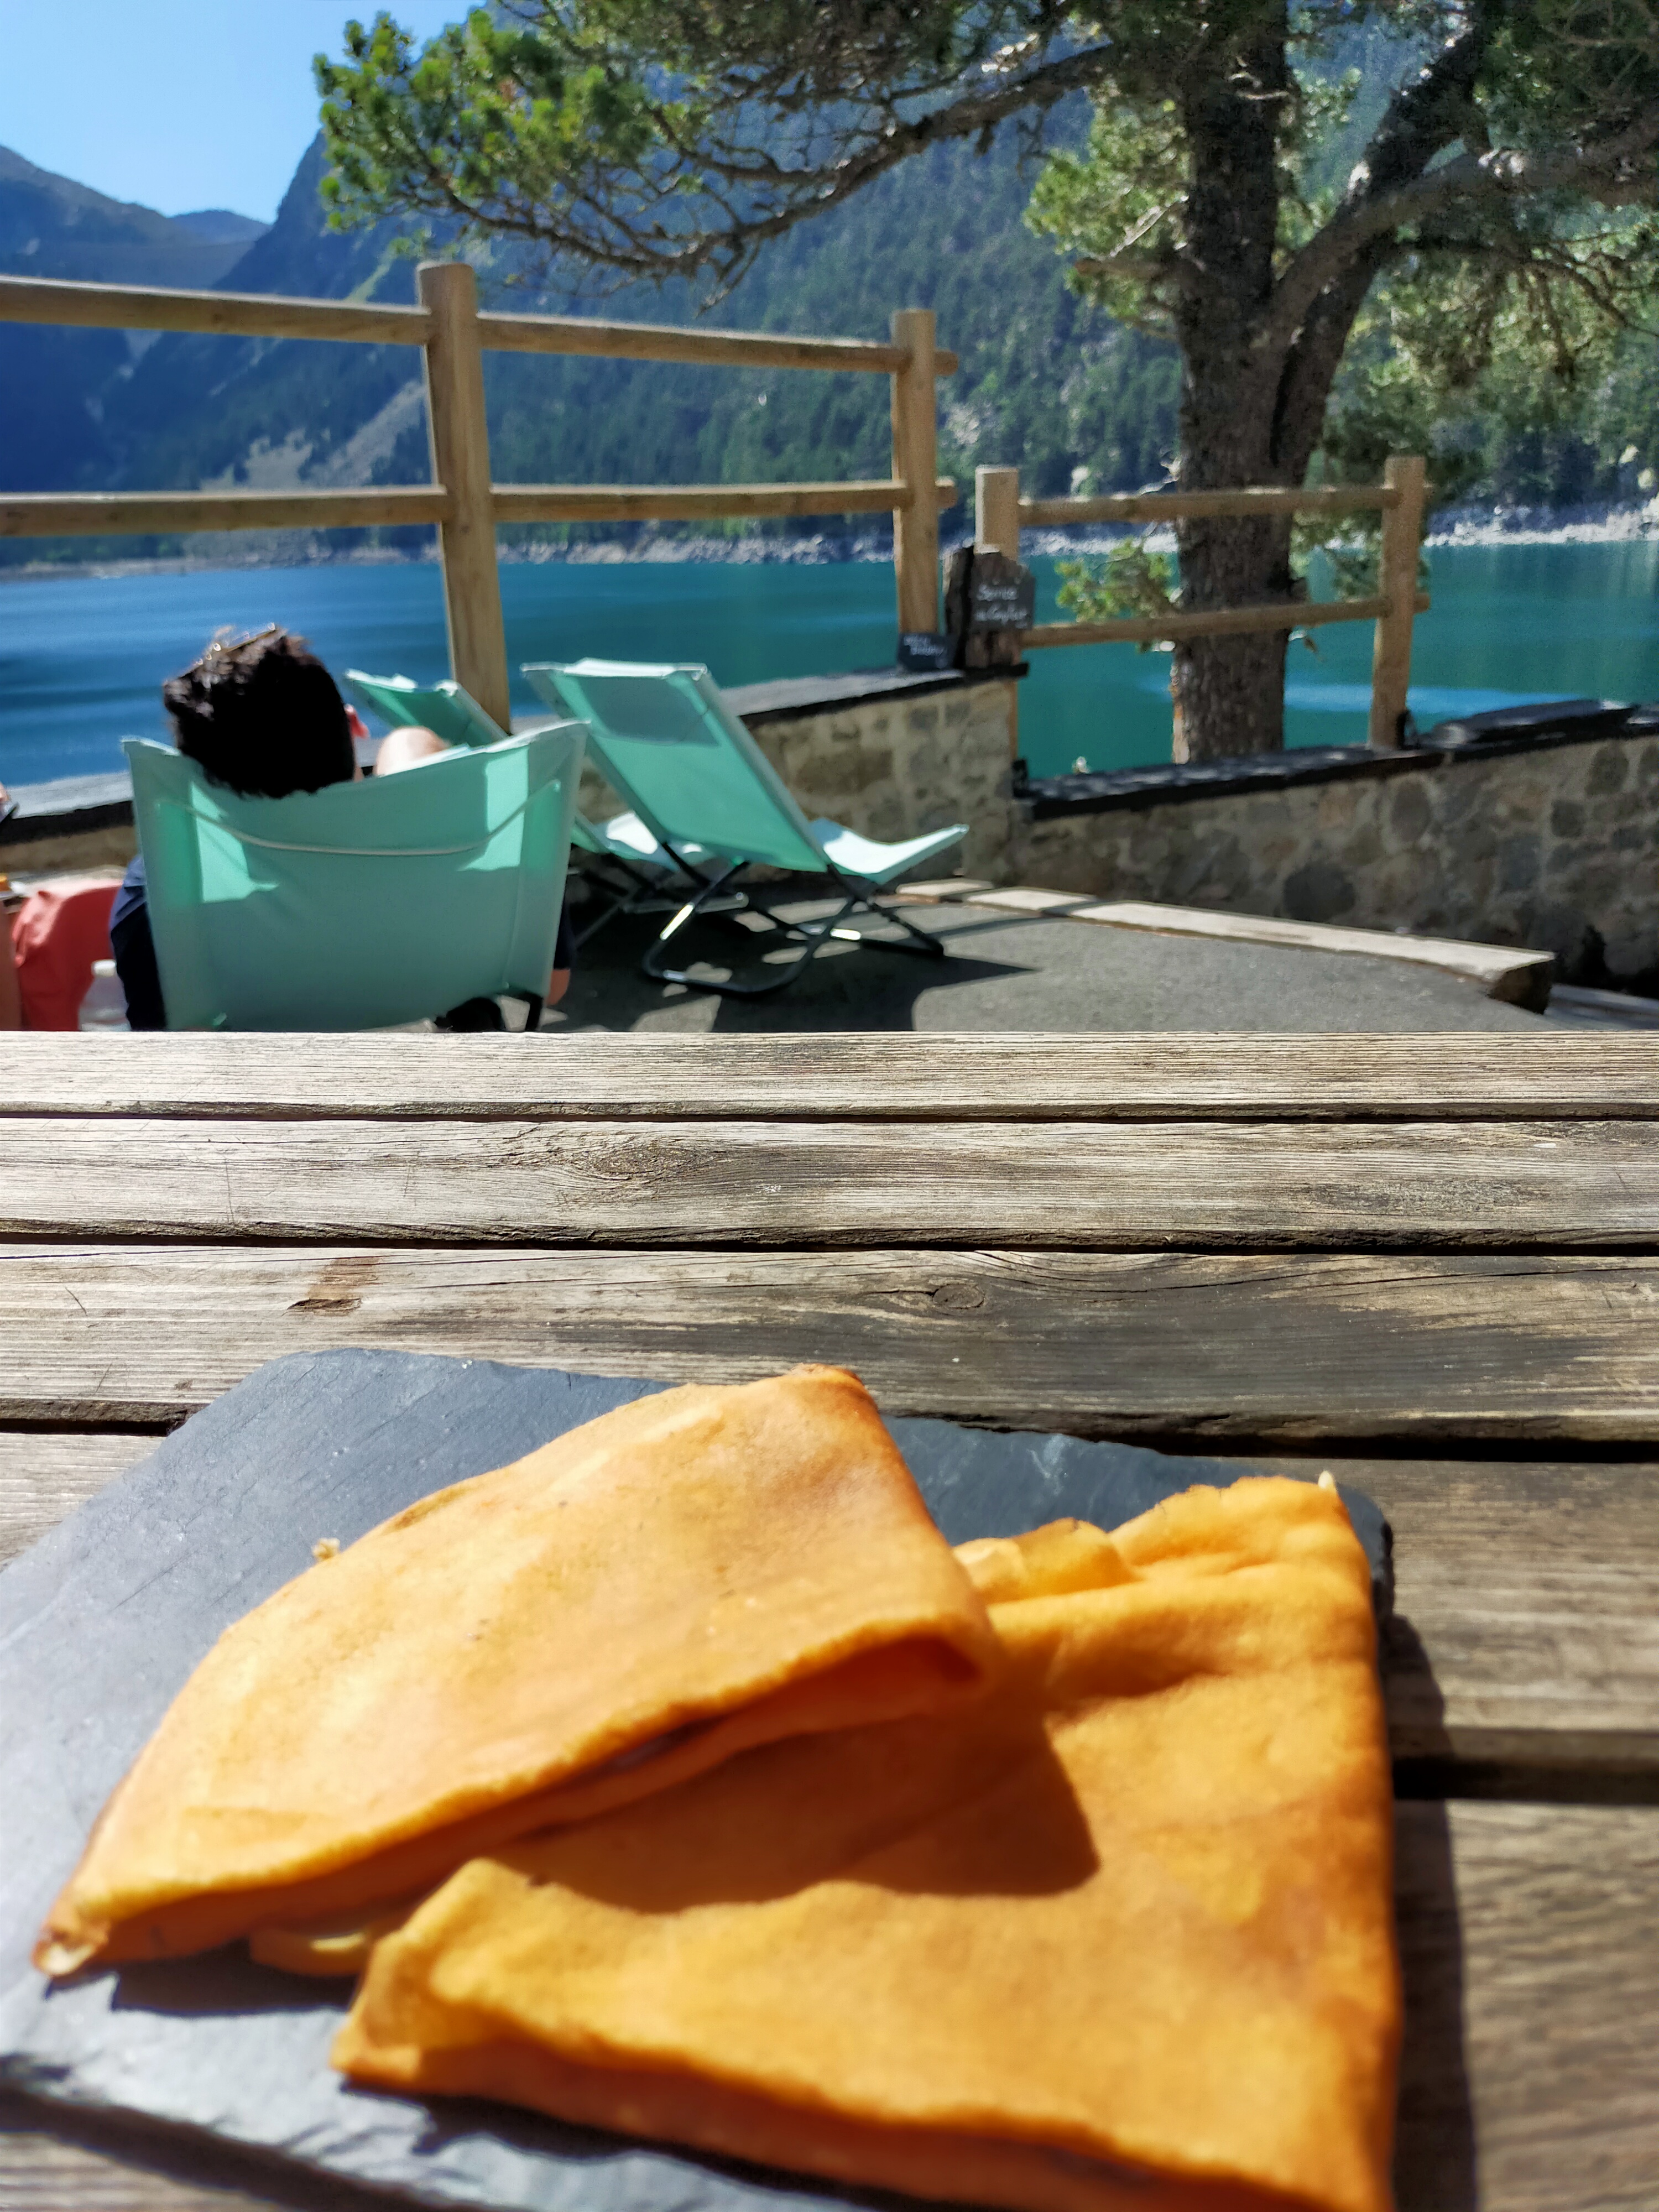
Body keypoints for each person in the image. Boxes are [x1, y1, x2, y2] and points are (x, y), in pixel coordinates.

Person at [110, 626, 572, 1030]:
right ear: (353, 727)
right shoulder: (481, 856)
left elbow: (166, 1036)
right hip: (437, 1024)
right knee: (410, 743)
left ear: (198, 772)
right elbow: (551, 983)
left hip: (271, 1086)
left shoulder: (158, 892)